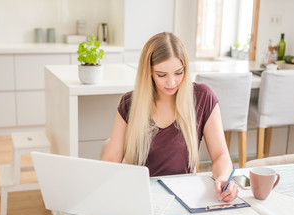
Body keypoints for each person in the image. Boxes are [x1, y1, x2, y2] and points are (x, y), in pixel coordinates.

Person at [102, 32, 238, 203]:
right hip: (142, 198)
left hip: (184, 198)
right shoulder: (130, 103)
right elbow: (111, 160)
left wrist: (224, 178)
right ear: (149, 72)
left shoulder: (202, 96)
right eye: (161, 75)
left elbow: (220, 155)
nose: (172, 82)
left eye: (178, 73)